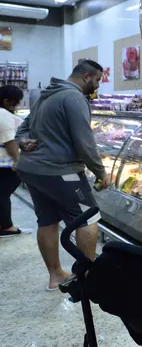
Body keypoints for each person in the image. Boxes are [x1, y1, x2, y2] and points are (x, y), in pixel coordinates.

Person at [15, 60, 108, 292]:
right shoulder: (74, 97)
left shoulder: (46, 94)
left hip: (32, 170)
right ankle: (88, 278)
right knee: (88, 217)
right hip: (61, 171)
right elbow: (84, 140)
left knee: (47, 220)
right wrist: (100, 171)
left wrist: (22, 140)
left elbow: (23, 126)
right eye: (97, 80)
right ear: (86, 76)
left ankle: (56, 276)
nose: (97, 86)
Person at [0, 84, 30, 237]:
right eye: (17, 101)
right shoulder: (3, 115)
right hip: (5, 164)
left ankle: (5, 224)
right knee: (3, 194)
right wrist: (18, 162)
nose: (18, 105)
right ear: (6, 101)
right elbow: (9, 142)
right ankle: (6, 227)